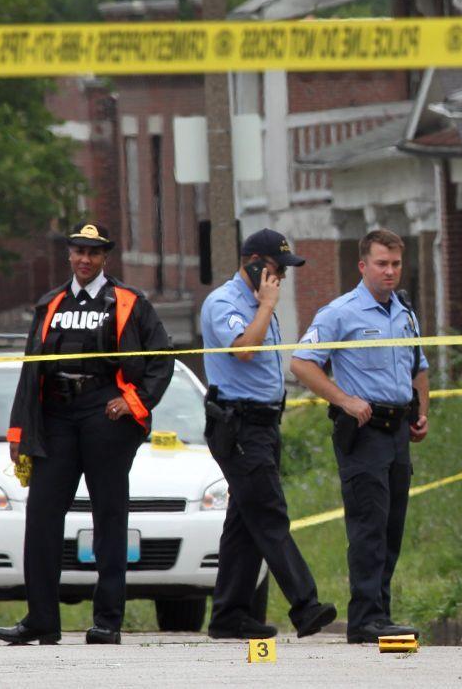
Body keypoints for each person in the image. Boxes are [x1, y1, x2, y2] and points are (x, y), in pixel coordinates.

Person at [0, 223, 172, 646]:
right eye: (78, 251)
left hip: (104, 415)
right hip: (55, 416)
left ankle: (107, 621)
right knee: (41, 516)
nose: (85, 259)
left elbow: (161, 359)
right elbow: (30, 369)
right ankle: (41, 620)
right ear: (69, 255)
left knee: (109, 516)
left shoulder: (129, 301)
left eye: (93, 253)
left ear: (105, 257)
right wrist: (20, 429)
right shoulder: (51, 302)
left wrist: (132, 403)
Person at [290, 229, 430, 644]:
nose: (390, 271)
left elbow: (418, 366)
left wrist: (422, 412)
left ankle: (380, 612)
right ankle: (365, 617)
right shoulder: (340, 313)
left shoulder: (404, 312)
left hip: (397, 430)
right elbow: (302, 364)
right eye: (382, 264)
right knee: (368, 525)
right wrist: (345, 399)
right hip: (364, 433)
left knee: (392, 526)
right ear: (363, 265)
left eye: (396, 264)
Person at [199, 228, 336, 640]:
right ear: (255, 263)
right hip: (238, 425)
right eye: (277, 269)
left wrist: (266, 303)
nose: (282, 278)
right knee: (270, 513)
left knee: (245, 522)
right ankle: (305, 604)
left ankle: (229, 614)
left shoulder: (260, 303)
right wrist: (268, 304)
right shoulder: (224, 302)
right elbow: (244, 348)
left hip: (263, 423)